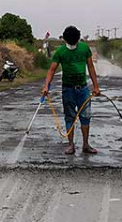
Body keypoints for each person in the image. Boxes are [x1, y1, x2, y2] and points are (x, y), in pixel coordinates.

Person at [42, 26, 101, 155]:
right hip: (68, 89)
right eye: (70, 43)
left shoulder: (85, 49)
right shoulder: (60, 52)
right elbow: (52, 69)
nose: (72, 45)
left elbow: (90, 67)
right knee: (70, 117)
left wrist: (96, 87)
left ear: (78, 39)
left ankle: (86, 145)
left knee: (85, 116)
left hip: (83, 89)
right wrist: (46, 85)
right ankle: (71, 145)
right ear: (65, 40)